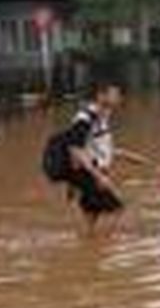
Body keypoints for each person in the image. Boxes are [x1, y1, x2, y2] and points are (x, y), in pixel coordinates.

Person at [61, 82, 151, 235]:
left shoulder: (102, 116)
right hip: (91, 174)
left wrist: (127, 156)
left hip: (95, 173)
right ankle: (105, 248)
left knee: (91, 218)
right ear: (101, 96)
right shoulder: (85, 118)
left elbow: (97, 146)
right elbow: (74, 149)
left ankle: (89, 249)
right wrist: (98, 177)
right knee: (120, 212)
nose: (119, 98)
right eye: (114, 94)